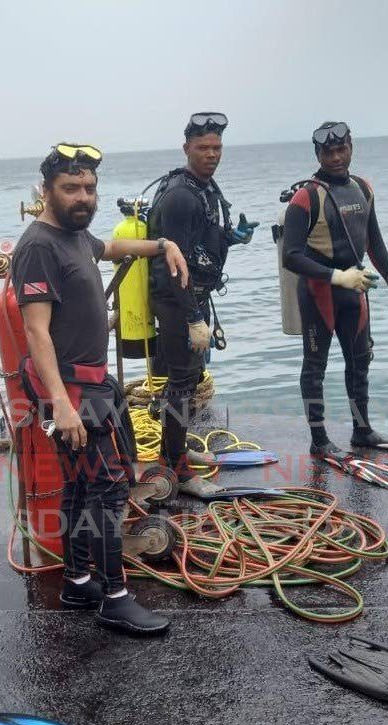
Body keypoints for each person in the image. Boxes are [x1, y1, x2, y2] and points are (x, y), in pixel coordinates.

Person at [12, 143, 189, 635]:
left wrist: (162, 245)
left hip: (90, 386)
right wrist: (64, 406)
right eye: (71, 188)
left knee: (79, 486)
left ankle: (76, 581)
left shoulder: (76, 237)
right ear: (46, 191)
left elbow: (110, 248)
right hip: (73, 392)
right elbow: (36, 333)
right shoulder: (39, 246)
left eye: (89, 188)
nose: (83, 196)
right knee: (110, 490)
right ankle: (114, 598)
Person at [282, 121, 388, 456]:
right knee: (315, 366)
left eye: (342, 149)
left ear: (351, 147)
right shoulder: (305, 197)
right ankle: (319, 440)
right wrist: (338, 277)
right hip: (319, 294)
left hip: (356, 293)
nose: (336, 157)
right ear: (318, 153)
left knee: (360, 363)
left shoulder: (362, 188)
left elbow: (375, 243)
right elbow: (291, 257)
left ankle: (362, 430)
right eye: (328, 151)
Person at [147, 112, 258, 498]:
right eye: (203, 148)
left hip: (195, 296)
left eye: (217, 148)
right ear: (186, 149)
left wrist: (232, 238)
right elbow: (173, 261)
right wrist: (193, 318)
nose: (212, 154)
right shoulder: (180, 195)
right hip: (178, 300)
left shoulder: (205, 187)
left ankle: (176, 452)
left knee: (191, 379)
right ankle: (175, 468)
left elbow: (202, 245)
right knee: (180, 382)